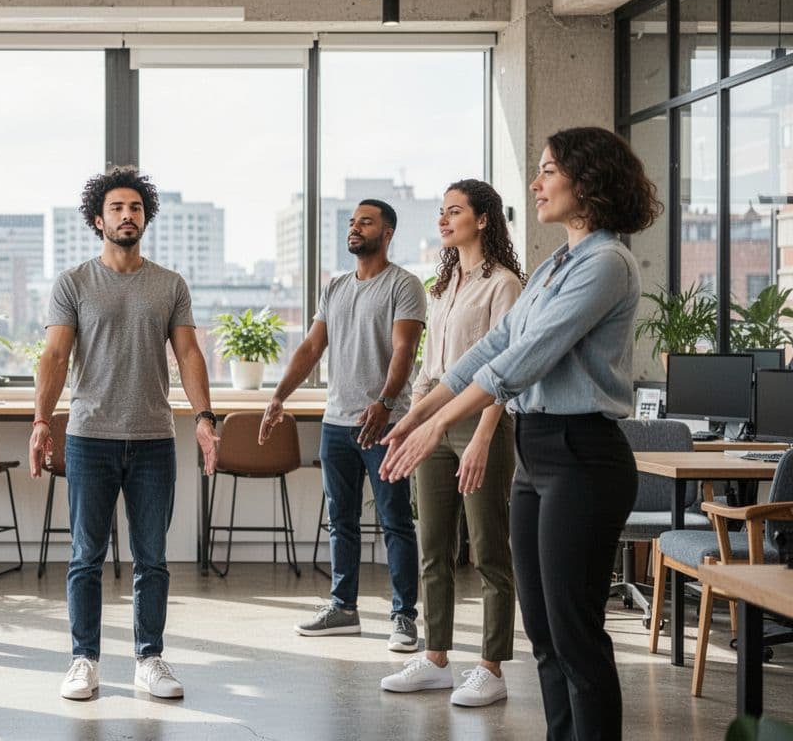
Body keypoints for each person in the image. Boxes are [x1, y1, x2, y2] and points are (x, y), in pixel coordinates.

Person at [380, 127, 661, 741]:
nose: (536, 183)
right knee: (542, 628)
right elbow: (494, 344)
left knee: (574, 631)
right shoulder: (558, 262)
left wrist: (443, 426)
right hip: (539, 455)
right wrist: (416, 414)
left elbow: (526, 358)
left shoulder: (607, 264)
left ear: (587, 181)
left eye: (549, 171)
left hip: (583, 457)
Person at [29, 166, 217, 701]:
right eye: (116, 208)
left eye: (135, 207)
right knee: (86, 555)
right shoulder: (74, 283)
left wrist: (205, 417)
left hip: (155, 438)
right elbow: (56, 355)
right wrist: (42, 421)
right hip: (91, 437)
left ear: (145, 217)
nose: (126, 215)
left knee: (152, 557)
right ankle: (84, 659)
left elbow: (188, 354)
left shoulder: (169, 284)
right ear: (98, 219)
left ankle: (149, 658)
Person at [377, 179, 524, 707]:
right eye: (440, 212)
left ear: (482, 219)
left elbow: (507, 371)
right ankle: (437, 658)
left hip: (481, 423)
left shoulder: (503, 284)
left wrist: (484, 435)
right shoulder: (440, 288)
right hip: (432, 428)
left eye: (454, 211)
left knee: (488, 549)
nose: (443, 220)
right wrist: (413, 423)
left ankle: (491, 667)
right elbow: (429, 370)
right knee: (432, 546)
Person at [260, 199, 425, 652]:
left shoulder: (404, 285)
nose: (354, 229)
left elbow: (404, 350)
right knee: (342, 521)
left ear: (387, 232)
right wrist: (278, 395)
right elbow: (312, 348)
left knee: (395, 521)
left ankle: (404, 617)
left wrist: (386, 403)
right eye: (352, 222)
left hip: (385, 424)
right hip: (337, 424)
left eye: (365, 222)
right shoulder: (334, 288)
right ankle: (343, 608)